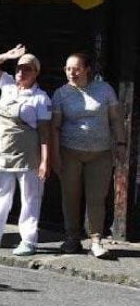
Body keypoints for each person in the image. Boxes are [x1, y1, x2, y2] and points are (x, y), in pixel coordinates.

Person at [0, 45, 53, 257]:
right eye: (19, 68)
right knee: (0, 196)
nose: (21, 72)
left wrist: (45, 161)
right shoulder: (7, 85)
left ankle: (28, 240)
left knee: (30, 198)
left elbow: (45, 133)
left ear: (36, 73)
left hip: (27, 155)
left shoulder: (41, 98)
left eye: (27, 69)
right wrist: (8, 56)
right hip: (1, 151)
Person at [51, 52, 124, 258]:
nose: (71, 73)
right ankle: (72, 238)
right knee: (70, 196)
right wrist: (55, 154)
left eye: (76, 68)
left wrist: (121, 143)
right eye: (68, 69)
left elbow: (116, 118)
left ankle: (96, 240)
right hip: (70, 152)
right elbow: (55, 127)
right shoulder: (61, 94)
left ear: (87, 69)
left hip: (100, 152)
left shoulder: (104, 89)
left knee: (97, 197)